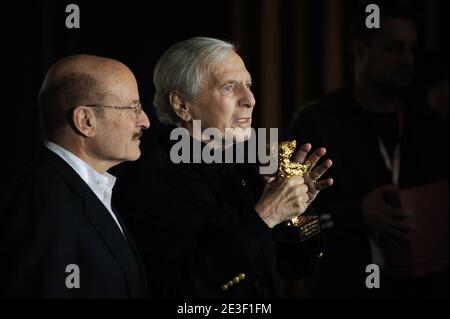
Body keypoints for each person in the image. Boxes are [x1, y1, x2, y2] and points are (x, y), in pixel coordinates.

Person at [113, 37, 333, 298]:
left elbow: (298, 266)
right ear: (182, 105)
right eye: (229, 87)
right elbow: (183, 291)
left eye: (248, 85)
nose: (250, 99)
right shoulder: (148, 180)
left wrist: (299, 208)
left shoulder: (250, 164)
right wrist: (266, 215)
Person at [287, 1, 448, 298]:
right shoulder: (312, 122)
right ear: (359, 49)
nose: (407, 59)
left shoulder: (432, 125)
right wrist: (357, 215)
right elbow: (288, 223)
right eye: (394, 48)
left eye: (412, 49)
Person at [0, 54, 151, 298]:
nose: (144, 121)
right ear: (85, 121)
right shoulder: (45, 203)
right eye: (132, 108)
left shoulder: (83, 190)